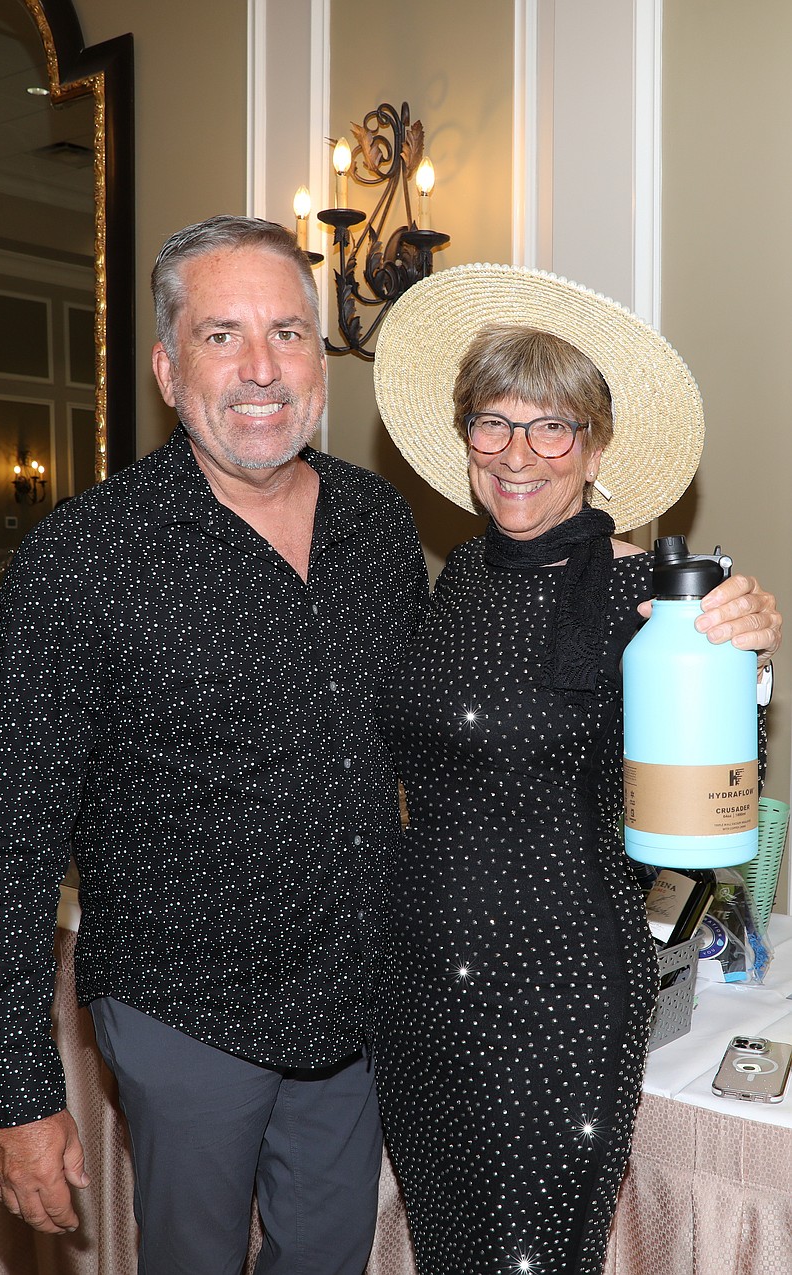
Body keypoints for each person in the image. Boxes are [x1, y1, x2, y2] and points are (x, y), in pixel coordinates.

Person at [0, 215, 429, 1275]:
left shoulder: (378, 525)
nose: (262, 369)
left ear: (320, 359)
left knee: (325, 1258)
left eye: (290, 333)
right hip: (187, 1013)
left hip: (352, 1007)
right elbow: (5, 845)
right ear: (169, 370)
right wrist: (17, 1097)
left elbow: (449, 726)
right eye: (222, 336)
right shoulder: (88, 555)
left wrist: (629, 582)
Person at [371, 263, 782, 1275]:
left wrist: (746, 663)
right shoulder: (457, 576)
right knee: (450, 1252)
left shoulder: (658, 597)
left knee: (533, 1258)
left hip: (555, 988)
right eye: (492, 423)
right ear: (464, 437)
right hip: (417, 983)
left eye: (551, 427)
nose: (519, 455)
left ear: (594, 447)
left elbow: (711, 798)